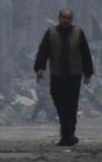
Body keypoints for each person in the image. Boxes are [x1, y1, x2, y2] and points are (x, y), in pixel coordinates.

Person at [34, 8, 94, 146]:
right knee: (60, 104)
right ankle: (66, 134)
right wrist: (40, 68)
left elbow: (85, 53)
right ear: (59, 18)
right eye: (63, 18)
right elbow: (43, 51)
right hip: (57, 74)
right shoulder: (51, 33)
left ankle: (68, 135)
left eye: (68, 18)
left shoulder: (78, 33)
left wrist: (88, 73)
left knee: (71, 105)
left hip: (74, 75)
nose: (66, 21)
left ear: (71, 20)